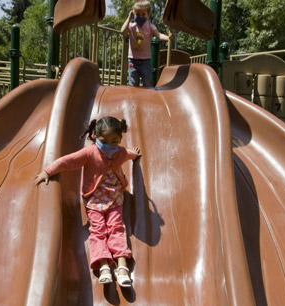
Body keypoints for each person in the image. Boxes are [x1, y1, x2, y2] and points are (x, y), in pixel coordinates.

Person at [34, 116, 141, 287]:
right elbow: (67, 161)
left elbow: (129, 154)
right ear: (95, 137)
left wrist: (135, 155)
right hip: (94, 201)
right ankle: (104, 265)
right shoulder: (90, 153)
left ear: (120, 138)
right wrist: (48, 171)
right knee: (98, 231)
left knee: (117, 228)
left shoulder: (119, 152)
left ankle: (121, 266)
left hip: (115, 199)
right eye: (104, 141)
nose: (109, 145)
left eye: (114, 141)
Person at [121, 0, 174, 87]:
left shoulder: (150, 27)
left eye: (143, 14)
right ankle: (134, 99)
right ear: (134, 14)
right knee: (133, 83)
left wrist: (168, 38)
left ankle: (146, 99)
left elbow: (159, 35)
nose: (140, 17)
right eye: (137, 14)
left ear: (148, 15)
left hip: (146, 60)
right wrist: (129, 18)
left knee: (148, 82)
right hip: (133, 60)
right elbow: (122, 31)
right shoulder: (131, 26)